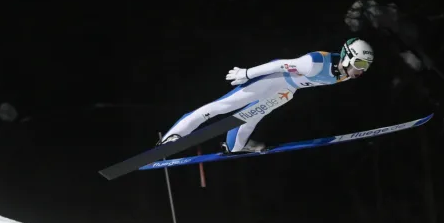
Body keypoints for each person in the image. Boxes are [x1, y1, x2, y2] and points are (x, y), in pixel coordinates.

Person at [158, 37, 375, 154]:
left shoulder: (346, 75)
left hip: (286, 91)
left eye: (367, 66)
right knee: (222, 107)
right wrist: (246, 73)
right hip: (270, 81)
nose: (362, 70)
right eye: (360, 64)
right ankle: (174, 137)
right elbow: (278, 64)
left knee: (252, 116)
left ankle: (235, 146)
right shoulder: (315, 62)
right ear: (348, 57)